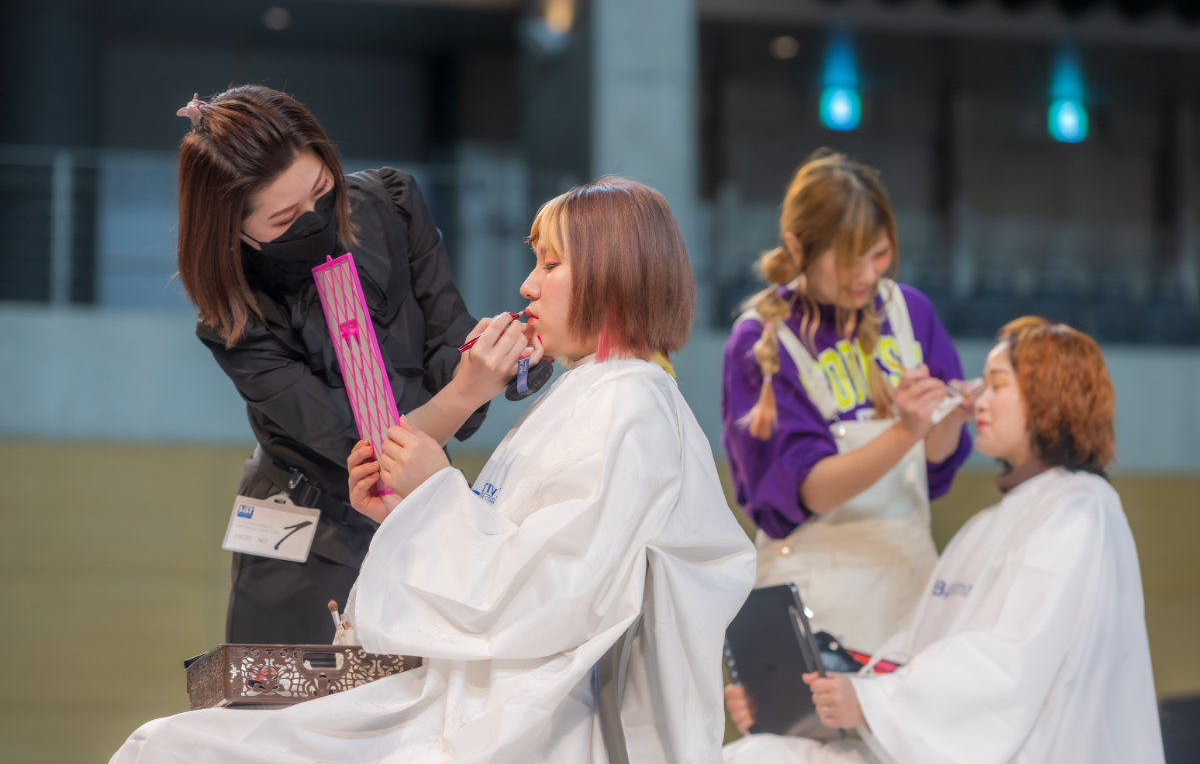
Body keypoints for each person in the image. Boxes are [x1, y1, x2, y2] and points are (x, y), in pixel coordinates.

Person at [110, 178, 757, 764]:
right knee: (172, 743)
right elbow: (512, 558)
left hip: (527, 719)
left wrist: (433, 494)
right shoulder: (588, 392)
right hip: (475, 698)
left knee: (174, 749)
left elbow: (555, 595)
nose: (528, 286)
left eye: (550, 264)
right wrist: (408, 513)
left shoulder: (631, 402)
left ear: (615, 275)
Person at [723, 317, 1164, 764]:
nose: (978, 400)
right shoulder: (989, 524)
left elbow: (1006, 668)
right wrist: (814, 692)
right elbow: (918, 652)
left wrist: (870, 700)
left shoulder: (1079, 510)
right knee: (759, 751)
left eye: (997, 385)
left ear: (1051, 394)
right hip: (946, 740)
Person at [174, 85, 527, 644]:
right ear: (232, 229)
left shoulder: (391, 203)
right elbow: (367, 449)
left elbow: (450, 344)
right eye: (283, 218)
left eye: (321, 189)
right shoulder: (234, 320)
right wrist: (465, 391)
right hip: (304, 532)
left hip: (421, 510)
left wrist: (483, 367)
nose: (313, 219)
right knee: (289, 696)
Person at [721, 150, 973, 652]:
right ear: (797, 247)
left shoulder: (910, 312)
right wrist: (905, 430)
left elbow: (935, 466)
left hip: (909, 588)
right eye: (845, 260)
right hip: (811, 599)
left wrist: (947, 418)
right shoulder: (760, 340)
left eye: (877, 255)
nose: (865, 275)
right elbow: (810, 491)